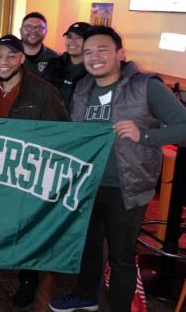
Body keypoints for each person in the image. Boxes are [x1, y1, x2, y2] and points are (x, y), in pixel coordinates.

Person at [49, 26, 186, 312]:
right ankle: (86, 295)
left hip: (127, 186)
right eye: (88, 52)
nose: (94, 57)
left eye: (102, 50)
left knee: (121, 256)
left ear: (120, 54)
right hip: (87, 183)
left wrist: (145, 135)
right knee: (87, 245)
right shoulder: (84, 87)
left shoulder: (146, 85)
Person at [0, 35, 67, 309]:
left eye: (10, 56)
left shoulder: (42, 91)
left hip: (28, 172)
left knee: (28, 226)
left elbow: (62, 130)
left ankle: (29, 279)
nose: (3, 62)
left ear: (21, 59)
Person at [42, 22, 90, 110]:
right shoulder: (54, 65)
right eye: (69, 37)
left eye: (79, 37)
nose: (72, 41)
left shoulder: (94, 69)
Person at [19, 12, 58, 76]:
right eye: (28, 27)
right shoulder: (9, 54)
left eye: (39, 28)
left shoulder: (54, 58)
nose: (33, 31)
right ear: (20, 30)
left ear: (45, 32)